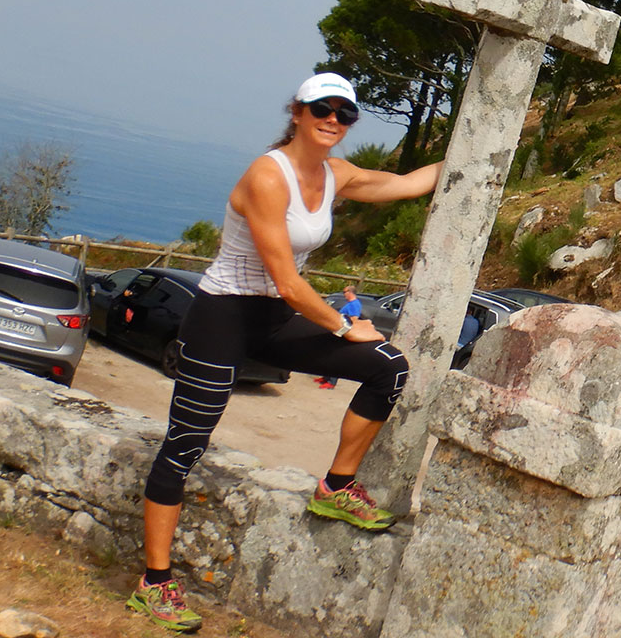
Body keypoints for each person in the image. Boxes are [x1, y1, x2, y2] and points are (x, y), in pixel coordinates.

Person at [127, 74, 441, 633]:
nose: (334, 120)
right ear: (296, 111)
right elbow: (288, 281)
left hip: (271, 317)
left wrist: (480, 160)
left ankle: (337, 487)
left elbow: (402, 184)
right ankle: (155, 583)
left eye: (346, 114)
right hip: (222, 315)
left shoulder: (334, 173)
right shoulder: (266, 177)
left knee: (388, 368)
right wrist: (346, 327)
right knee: (186, 443)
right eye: (323, 108)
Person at [315, 286, 366, 388]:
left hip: (343, 332)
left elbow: (354, 319)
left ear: (350, 292)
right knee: (328, 354)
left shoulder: (355, 304)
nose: (344, 294)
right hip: (338, 330)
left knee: (335, 356)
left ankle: (331, 382)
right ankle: (325, 377)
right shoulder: (350, 304)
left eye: (344, 292)